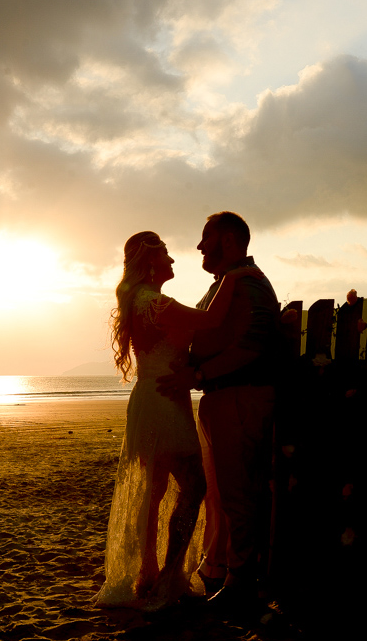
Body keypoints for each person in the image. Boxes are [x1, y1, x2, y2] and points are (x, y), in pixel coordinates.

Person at [96, 231, 262, 611]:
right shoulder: (153, 301)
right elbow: (210, 318)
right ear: (151, 262)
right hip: (164, 402)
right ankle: (167, 577)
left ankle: (149, 574)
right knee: (194, 485)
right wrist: (234, 276)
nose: (173, 261)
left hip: (154, 398)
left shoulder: (141, 300)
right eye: (167, 255)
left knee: (154, 492)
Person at [158, 211, 281, 611]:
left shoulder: (251, 284)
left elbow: (253, 344)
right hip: (219, 397)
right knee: (220, 494)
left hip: (239, 397)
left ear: (229, 241)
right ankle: (220, 570)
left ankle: (241, 582)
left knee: (238, 494)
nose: (198, 246)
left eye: (205, 237)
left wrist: (199, 372)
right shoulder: (229, 283)